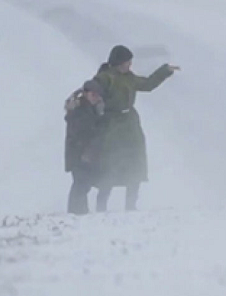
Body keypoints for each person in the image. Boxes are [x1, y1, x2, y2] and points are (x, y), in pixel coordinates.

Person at [92, 45, 179, 211]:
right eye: (127, 62)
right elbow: (93, 93)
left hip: (130, 124)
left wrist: (164, 71)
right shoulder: (105, 78)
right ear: (118, 62)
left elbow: (147, 84)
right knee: (110, 163)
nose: (129, 65)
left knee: (135, 162)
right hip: (111, 124)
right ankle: (101, 206)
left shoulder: (130, 78)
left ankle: (131, 205)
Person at [64, 79, 106, 215]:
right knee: (81, 183)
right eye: (94, 95)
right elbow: (81, 132)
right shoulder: (80, 110)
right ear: (86, 94)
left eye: (98, 95)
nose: (97, 98)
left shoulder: (91, 109)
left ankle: (79, 211)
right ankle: (76, 212)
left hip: (87, 153)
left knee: (84, 183)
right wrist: (85, 151)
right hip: (79, 153)